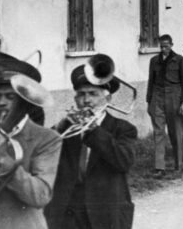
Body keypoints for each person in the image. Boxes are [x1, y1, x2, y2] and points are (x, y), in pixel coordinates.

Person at [46, 58, 137, 229]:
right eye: (81, 94)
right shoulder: (66, 128)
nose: (86, 100)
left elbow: (124, 161)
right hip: (69, 215)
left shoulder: (124, 129)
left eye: (93, 94)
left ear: (107, 98)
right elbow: (45, 152)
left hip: (105, 214)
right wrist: (61, 126)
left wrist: (94, 131)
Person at [0, 52, 62, 229]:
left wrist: (5, 161)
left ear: (25, 103)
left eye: (10, 97)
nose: (1, 103)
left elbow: (40, 196)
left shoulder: (47, 139)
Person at [146, 34, 183, 176]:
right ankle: (160, 167)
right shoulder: (154, 61)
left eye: (166, 46)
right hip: (157, 97)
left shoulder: (180, 60)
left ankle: (178, 164)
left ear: (172, 45)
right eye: (161, 46)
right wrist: (149, 102)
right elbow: (151, 82)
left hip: (174, 97)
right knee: (158, 132)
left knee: (175, 131)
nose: (164, 49)